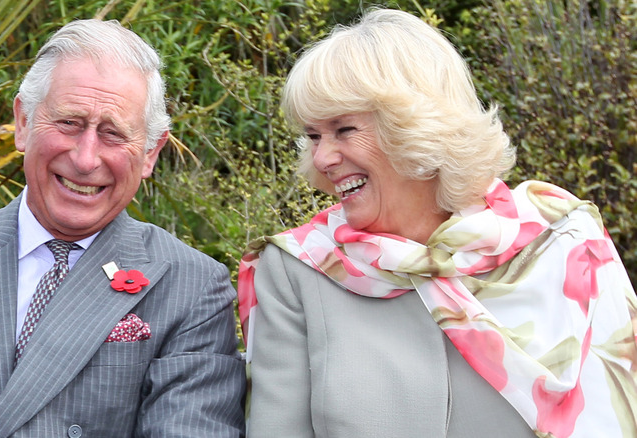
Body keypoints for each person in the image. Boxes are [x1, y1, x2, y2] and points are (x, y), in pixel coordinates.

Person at [238, 8, 637, 438]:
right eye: (314, 136)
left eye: (344, 129)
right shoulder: (297, 268)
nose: (322, 158)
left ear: (416, 128)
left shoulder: (565, 240)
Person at [0, 19, 245, 437]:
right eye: (69, 123)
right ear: (23, 122)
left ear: (151, 152)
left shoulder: (192, 288)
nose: (84, 158)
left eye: (113, 134)